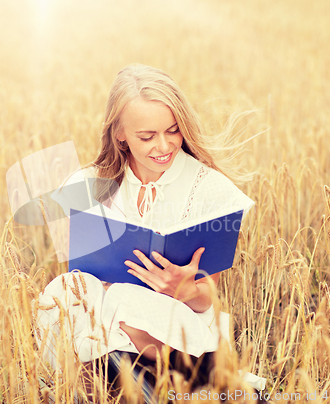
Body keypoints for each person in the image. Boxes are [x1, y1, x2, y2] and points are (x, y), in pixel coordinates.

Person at [34, 64, 267, 400]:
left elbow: (207, 298)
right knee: (64, 291)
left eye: (173, 131)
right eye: (146, 136)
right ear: (120, 135)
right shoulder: (86, 185)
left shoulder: (209, 189)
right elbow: (80, 276)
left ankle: (146, 384)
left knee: (124, 304)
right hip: (108, 318)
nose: (163, 146)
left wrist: (184, 289)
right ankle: (132, 386)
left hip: (176, 330)